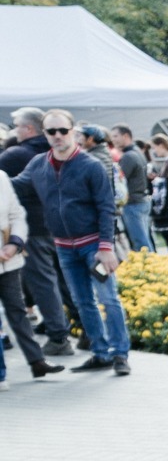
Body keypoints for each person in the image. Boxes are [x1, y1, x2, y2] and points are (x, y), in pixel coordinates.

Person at [23, 109, 133, 376]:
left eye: (63, 130)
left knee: (109, 299)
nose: (58, 136)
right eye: (52, 131)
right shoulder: (39, 164)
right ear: (45, 134)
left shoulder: (90, 165)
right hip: (64, 246)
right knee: (83, 302)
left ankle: (120, 354)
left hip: (94, 245)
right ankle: (100, 352)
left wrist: (106, 248)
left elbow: (107, 208)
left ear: (73, 131)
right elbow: (13, 185)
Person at [1, 108, 73, 355]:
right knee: (64, 280)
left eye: (17, 125)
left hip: (34, 227)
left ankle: (59, 337)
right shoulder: (59, 151)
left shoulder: (16, 155)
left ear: (29, 128)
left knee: (43, 282)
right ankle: (84, 331)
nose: (13, 130)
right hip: (62, 225)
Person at [0, 172, 60, 379]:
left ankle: (37, 361)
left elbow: (17, 214)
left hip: (8, 260)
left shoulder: (1, 178)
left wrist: (14, 243)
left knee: (17, 310)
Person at [110, 126, 153, 253]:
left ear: (125, 136)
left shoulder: (129, 156)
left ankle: (149, 268)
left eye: (115, 136)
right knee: (144, 239)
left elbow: (119, 181)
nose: (113, 140)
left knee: (141, 242)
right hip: (141, 200)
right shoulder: (137, 151)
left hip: (133, 203)